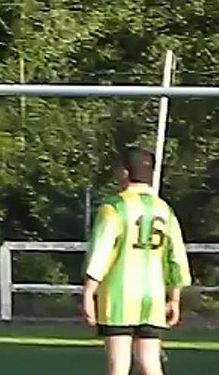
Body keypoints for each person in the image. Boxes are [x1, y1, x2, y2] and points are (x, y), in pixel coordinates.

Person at [82, 147, 191, 375]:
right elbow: (176, 256)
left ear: (124, 172)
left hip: (120, 294)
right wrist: (175, 297)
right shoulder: (164, 209)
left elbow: (101, 251)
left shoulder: (114, 208)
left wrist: (89, 291)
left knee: (119, 365)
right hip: (152, 294)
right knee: (150, 363)